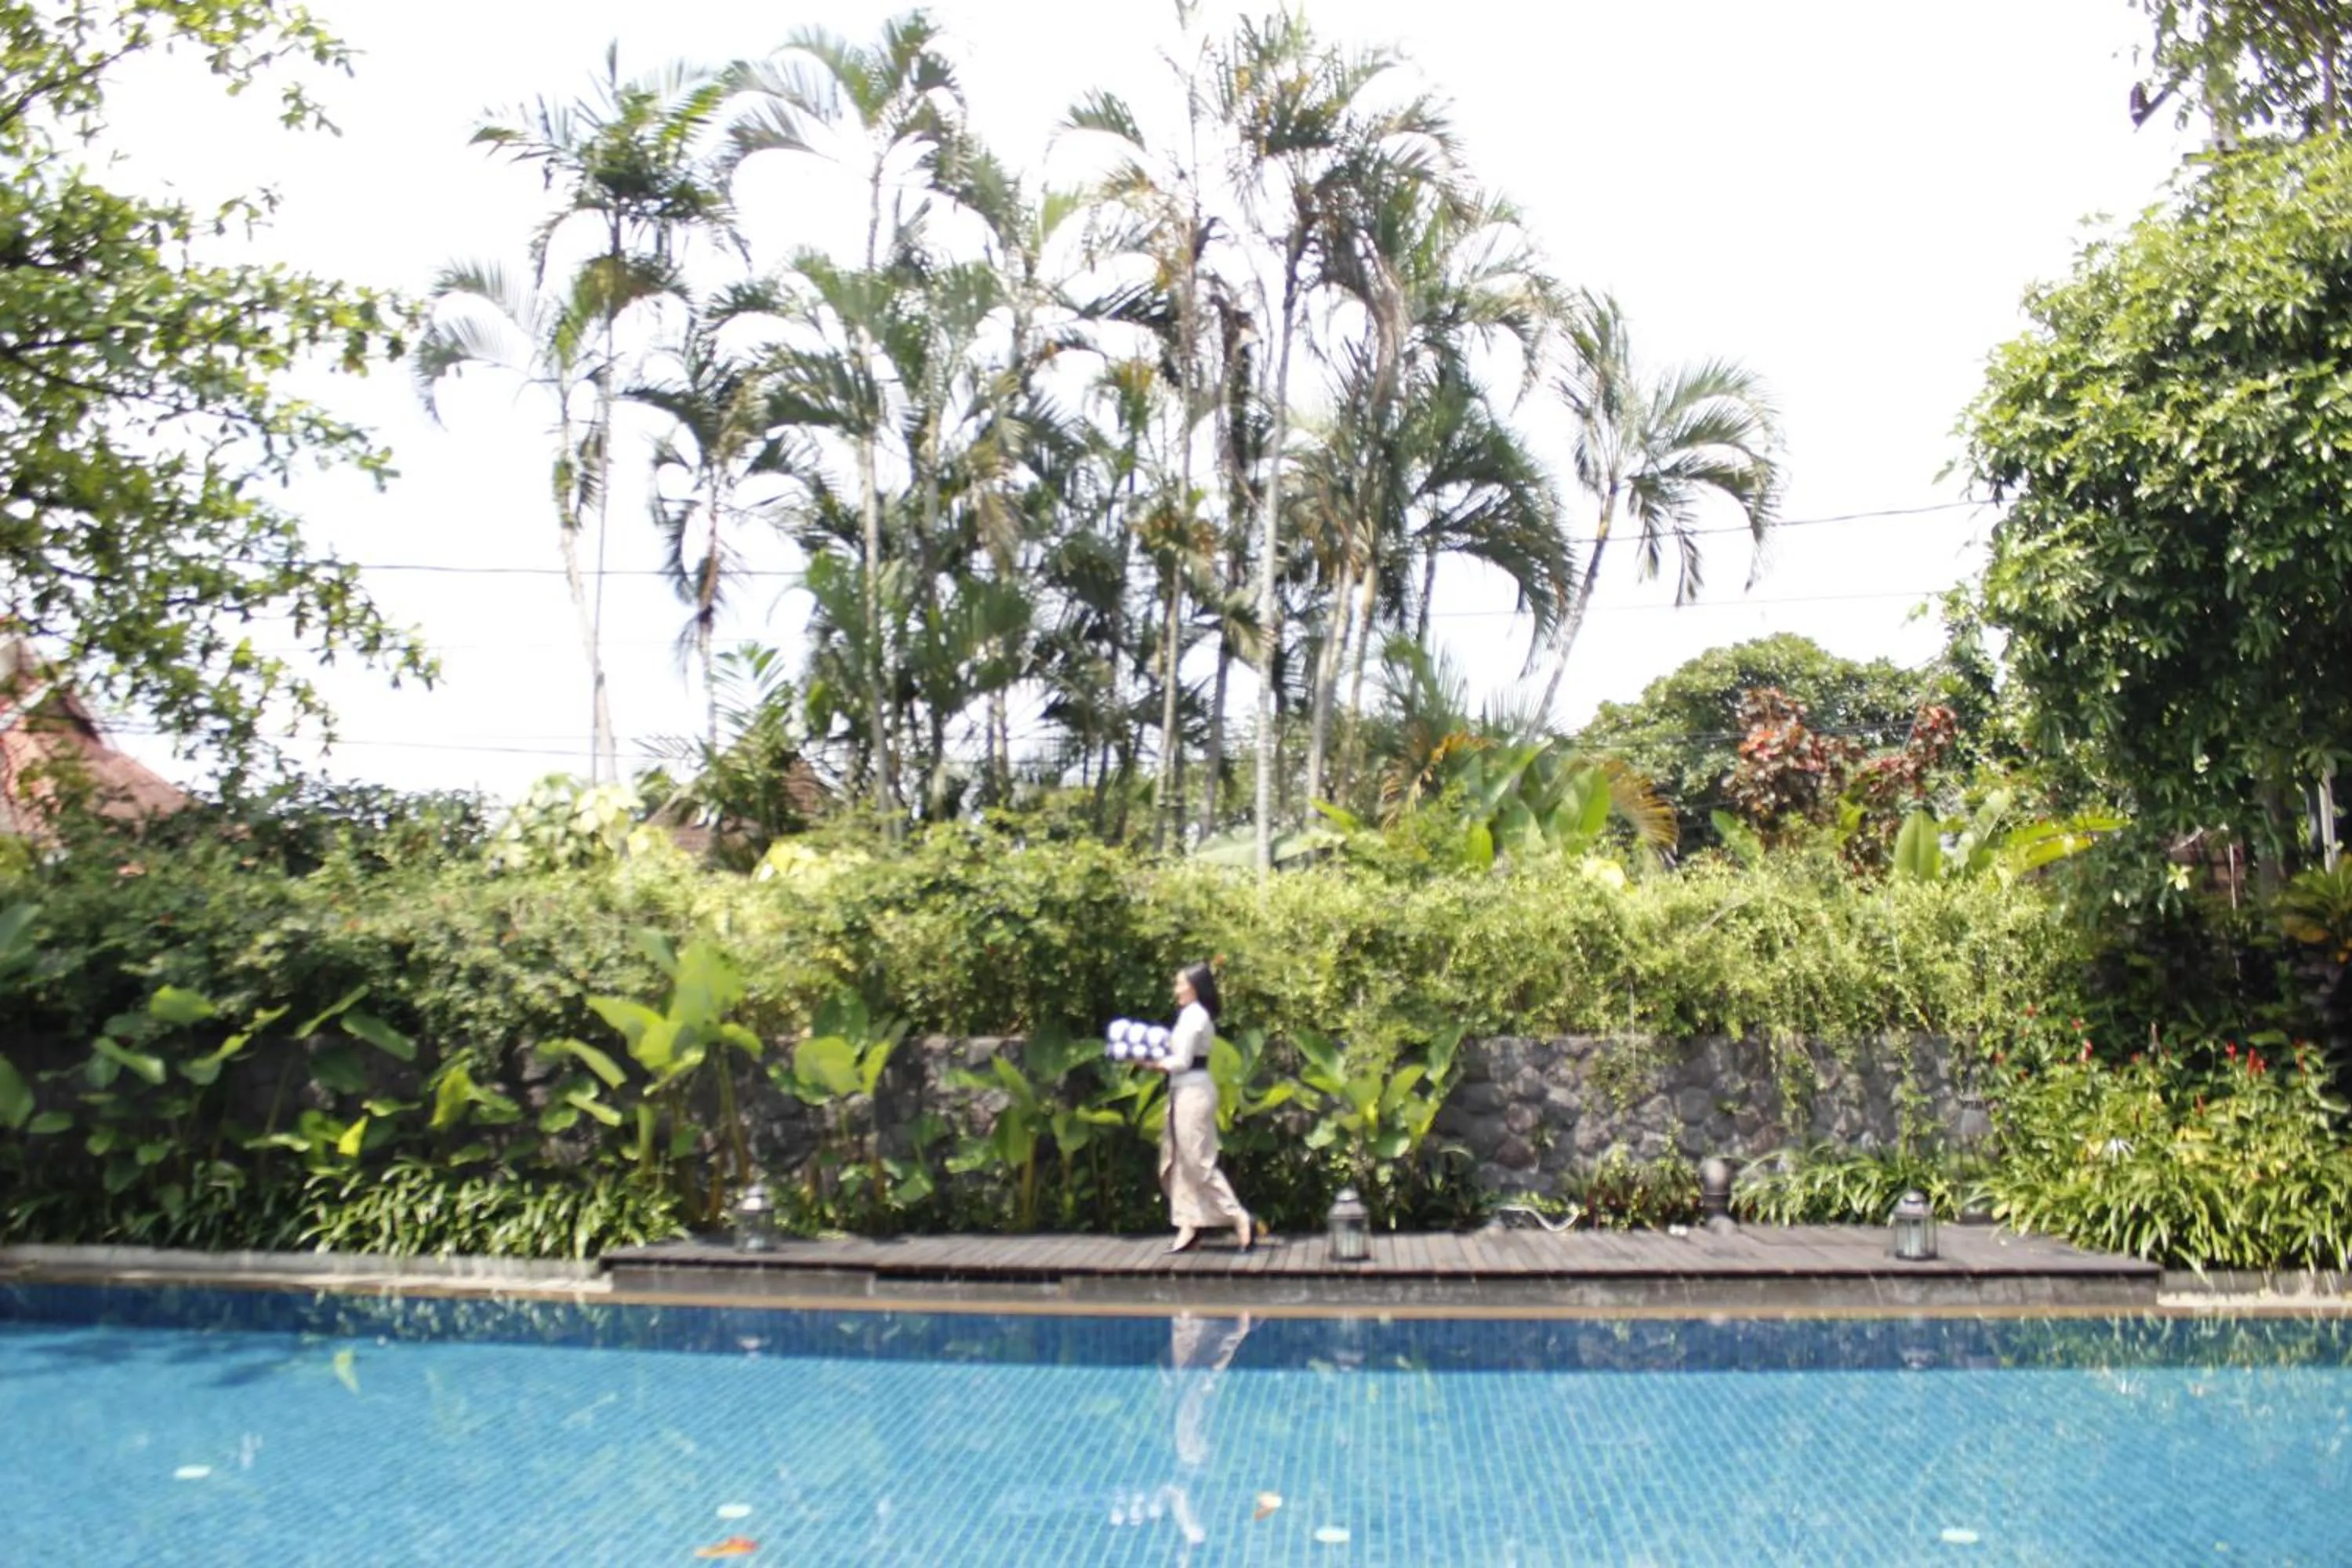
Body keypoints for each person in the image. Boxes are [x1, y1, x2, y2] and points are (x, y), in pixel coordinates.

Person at [1153, 962, 1254, 1254]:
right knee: (1181, 1161)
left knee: (1198, 1161)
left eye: (1180, 984)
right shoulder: (1188, 1015)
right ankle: (1189, 1224)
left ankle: (1238, 1216)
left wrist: (1151, 1063)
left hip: (1193, 1092)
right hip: (1182, 1091)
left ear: (1194, 988)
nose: (1176, 990)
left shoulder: (1196, 1016)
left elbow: (1181, 1061)